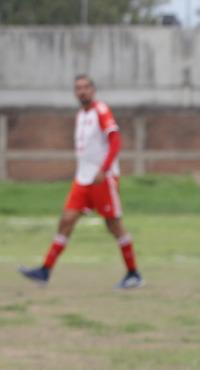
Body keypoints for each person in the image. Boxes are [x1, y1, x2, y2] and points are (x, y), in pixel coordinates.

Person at [18, 75, 143, 290]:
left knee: (113, 226)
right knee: (66, 220)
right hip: (82, 179)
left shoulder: (101, 111)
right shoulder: (80, 116)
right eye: (78, 88)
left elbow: (115, 140)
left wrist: (103, 170)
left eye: (86, 87)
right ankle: (45, 271)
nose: (82, 91)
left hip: (102, 179)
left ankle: (133, 274)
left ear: (93, 90)